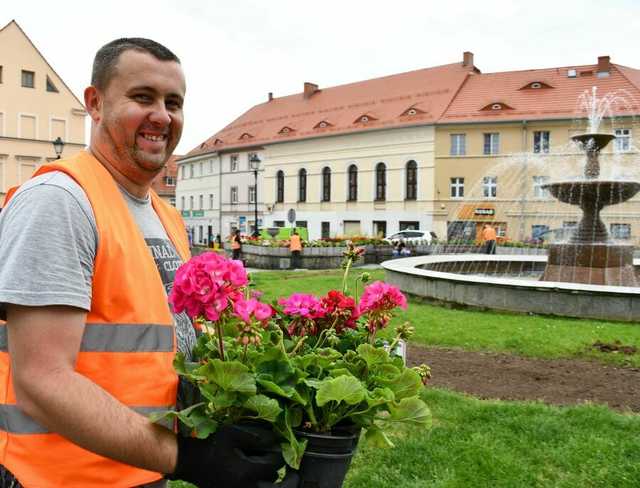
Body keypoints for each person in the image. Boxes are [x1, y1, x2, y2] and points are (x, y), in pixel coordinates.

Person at [0, 38, 295, 488]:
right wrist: (190, 459)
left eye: (173, 102)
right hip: (57, 477)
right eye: (143, 97)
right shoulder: (60, 201)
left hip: (138, 470)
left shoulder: (165, 214)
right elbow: (42, 381)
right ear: (95, 104)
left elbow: (159, 350)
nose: (162, 115)